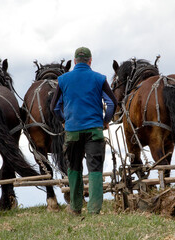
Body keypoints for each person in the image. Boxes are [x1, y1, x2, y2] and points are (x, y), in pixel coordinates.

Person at [50, 47, 118, 214]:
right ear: (90, 61)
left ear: (74, 61)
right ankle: (94, 210)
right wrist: (105, 121)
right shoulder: (99, 78)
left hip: (72, 131)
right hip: (94, 130)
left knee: (74, 168)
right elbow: (112, 103)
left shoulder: (63, 79)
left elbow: (54, 107)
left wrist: (64, 121)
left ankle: (75, 207)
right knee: (95, 168)